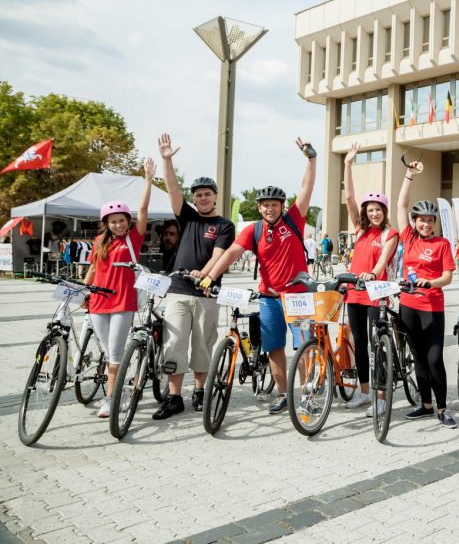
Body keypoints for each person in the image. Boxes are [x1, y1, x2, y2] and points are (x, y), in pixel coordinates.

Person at [201, 138, 318, 414]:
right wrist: (212, 276)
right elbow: (231, 253)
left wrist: (311, 160)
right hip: (269, 298)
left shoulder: (294, 219)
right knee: (274, 348)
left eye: (274, 204)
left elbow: (306, 188)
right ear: (260, 207)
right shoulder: (253, 230)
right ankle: (282, 394)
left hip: (299, 297)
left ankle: (307, 396)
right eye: (264, 205)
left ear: (281, 205)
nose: (269, 209)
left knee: (303, 348)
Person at [153, 134, 236, 420]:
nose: (202, 198)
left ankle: (200, 391)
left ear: (215, 197)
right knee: (174, 344)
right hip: (177, 290)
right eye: (198, 194)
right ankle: (174, 396)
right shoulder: (186, 217)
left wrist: (206, 273)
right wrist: (167, 160)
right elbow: (173, 190)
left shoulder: (224, 224)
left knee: (202, 344)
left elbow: (219, 254)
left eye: (207, 194)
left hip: (206, 292)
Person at [84, 158, 155, 418]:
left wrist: (147, 179)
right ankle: (121, 390)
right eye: (113, 221)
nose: (118, 225)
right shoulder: (99, 241)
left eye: (121, 220)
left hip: (123, 302)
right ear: (106, 223)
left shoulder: (133, 238)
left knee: (115, 354)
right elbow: (92, 270)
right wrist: (83, 292)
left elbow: (144, 210)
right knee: (107, 353)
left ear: (128, 220)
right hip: (98, 303)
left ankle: (111, 398)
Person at [395, 161, 457, 428]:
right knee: (418, 358)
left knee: (434, 358)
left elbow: (448, 277)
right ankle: (426, 405)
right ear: (415, 221)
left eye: (430, 221)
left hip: (432, 307)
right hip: (407, 306)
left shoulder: (441, 244)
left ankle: (443, 408)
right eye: (422, 220)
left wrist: (430, 283)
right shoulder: (408, 238)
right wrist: (409, 175)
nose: (426, 225)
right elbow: (400, 206)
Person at [342, 141, 400, 415]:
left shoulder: (390, 233)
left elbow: (382, 262)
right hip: (354, 292)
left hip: (376, 293)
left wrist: (372, 273)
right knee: (360, 344)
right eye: (369, 209)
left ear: (384, 211)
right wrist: (347, 164)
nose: (373, 213)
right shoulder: (359, 230)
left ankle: (381, 396)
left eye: (378, 209)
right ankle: (364, 393)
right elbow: (349, 199)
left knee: (378, 345)